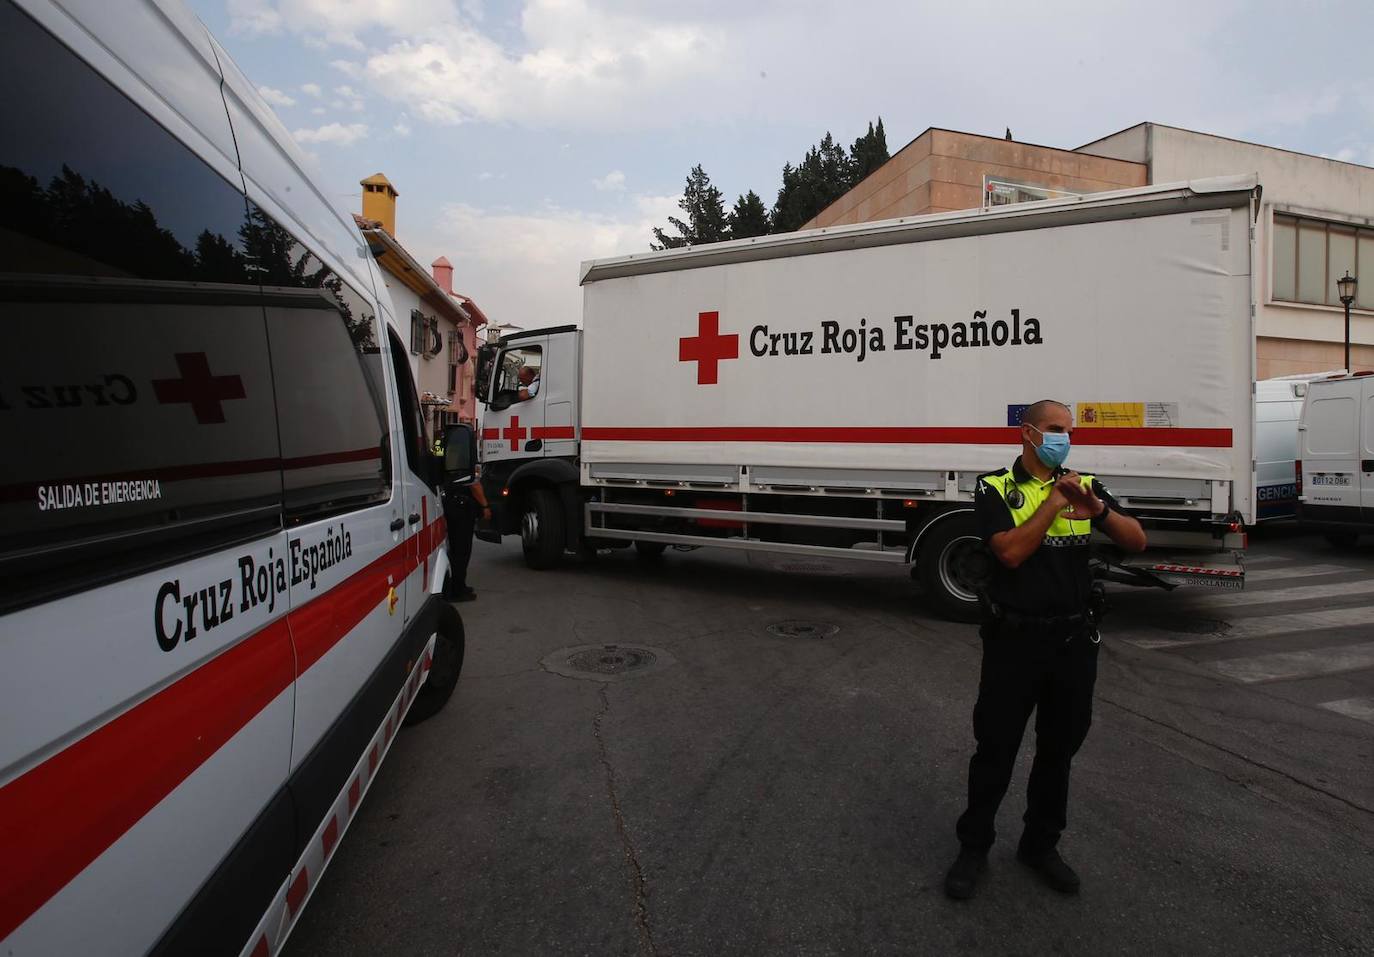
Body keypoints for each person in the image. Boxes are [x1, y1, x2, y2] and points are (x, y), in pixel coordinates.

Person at [944, 399, 1147, 900]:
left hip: (1073, 643)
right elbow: (1009, 551)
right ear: (1028, 434)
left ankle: (1040, 846)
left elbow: (1138, 541)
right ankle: (974, 847)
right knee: (995, 749)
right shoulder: (994, 487)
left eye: (1069, 431)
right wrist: (1055, 503)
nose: (1065, 439)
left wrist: (1096, 508)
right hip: (1014, 642)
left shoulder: (1088, 484)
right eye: (1056, 429)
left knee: (1059, 752)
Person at [442, 461, 491, 602]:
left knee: (456, 549)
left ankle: (458, 585)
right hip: (461, 509)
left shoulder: (446, 450)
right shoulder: (468, 455)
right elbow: (475, 484)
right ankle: (457, 591)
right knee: (462, 551)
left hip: (452, 505)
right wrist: (485, 506)